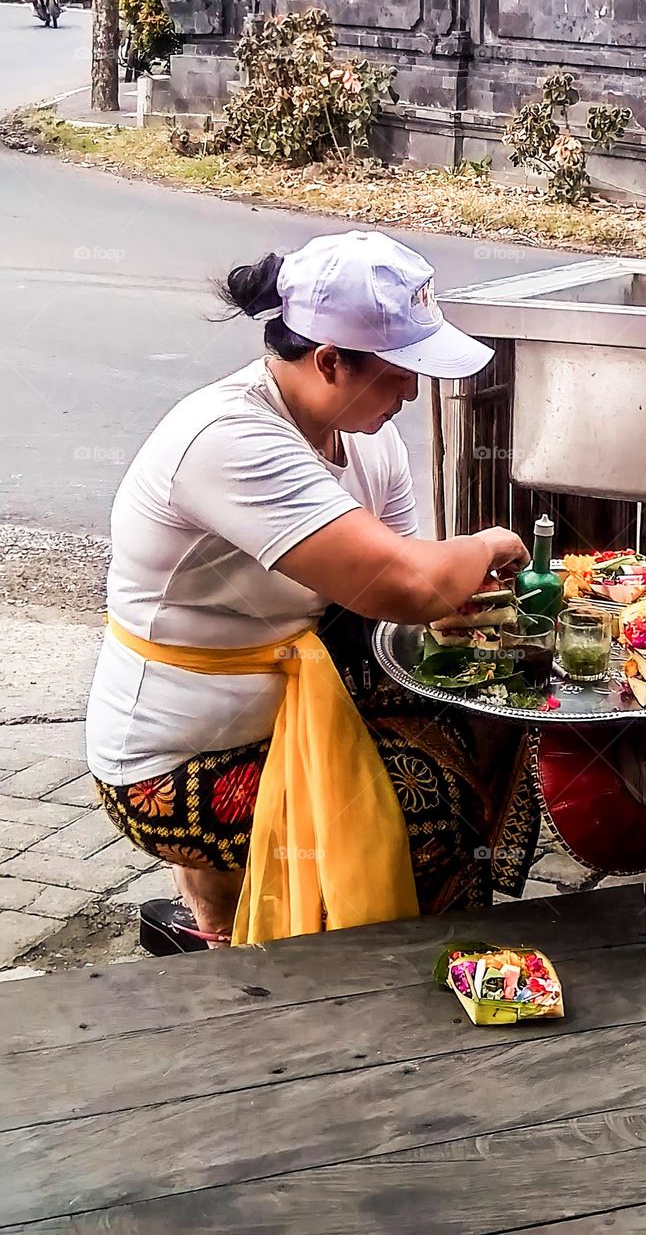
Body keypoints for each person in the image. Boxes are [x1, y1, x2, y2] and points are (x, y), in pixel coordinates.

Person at [86, 230, 540, 953]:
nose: (413, 392)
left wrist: (457, 615)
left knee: (497, 707)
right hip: (175, 765)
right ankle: (379, 965)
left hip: (299, 697)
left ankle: (359, 925)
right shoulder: (229, 439)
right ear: (330, 361)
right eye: (400, 372)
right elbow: (406, 581)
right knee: (425, 800)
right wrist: (485, 547)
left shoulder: (366, 437)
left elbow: (394, 595)